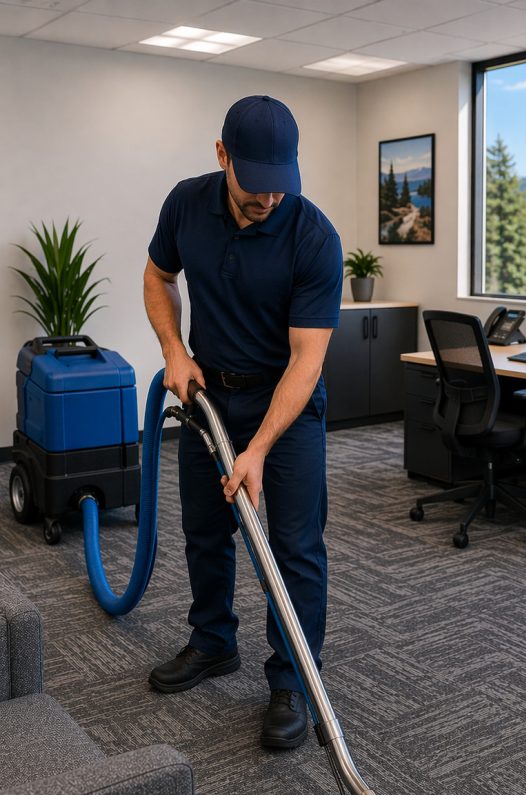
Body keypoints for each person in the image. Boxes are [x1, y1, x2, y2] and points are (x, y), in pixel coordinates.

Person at [143, 95, 343, 750]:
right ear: (222, 156)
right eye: (255, 186)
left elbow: (307, 360)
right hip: (209, 398)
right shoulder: (185, 204)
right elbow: (157, 276)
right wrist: (175, 351)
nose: (268, 200)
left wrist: (256, 449)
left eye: (280, 184)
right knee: (203, 527)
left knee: (292, 547)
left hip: (284, 406)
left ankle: (292, 679)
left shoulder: (312, 235)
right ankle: (212, 642)